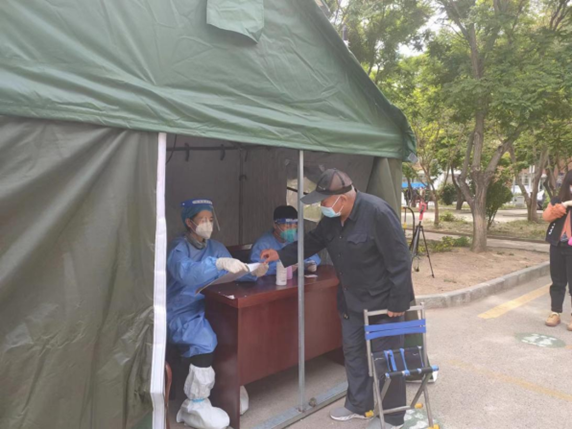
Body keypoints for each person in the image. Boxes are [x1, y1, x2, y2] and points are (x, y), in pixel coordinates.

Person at [261, 169, 414, 429]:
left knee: (386, 358)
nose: (322, 206)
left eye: (324, 201)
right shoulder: (332, 219)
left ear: (342, 199)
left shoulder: (378, 213)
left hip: (383, 304)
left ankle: (393, 417)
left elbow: (400, 260)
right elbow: (313, 241)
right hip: (351, 302)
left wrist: (398, 304)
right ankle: (358, 405)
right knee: (354, 355)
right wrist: (281, 255)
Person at [167, 198, 267, 429]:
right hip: (182, 308)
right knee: (204, 339)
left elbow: (233, 270)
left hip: (213, 304)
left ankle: (229, 385)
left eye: (210, 219)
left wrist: (253, 271)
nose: (208, 224)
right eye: (202, 219)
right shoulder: (178, 248)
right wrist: (218, 264)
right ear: (189, 222)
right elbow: (187, 273)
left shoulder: (216, 247)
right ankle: (195, 404)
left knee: (234, 329)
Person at [248, 205, 321, 277]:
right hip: (269, 283)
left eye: (295, 226)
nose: (292, 230)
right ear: (275, 225)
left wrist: (307, 264)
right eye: (287, 226)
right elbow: (255, 270)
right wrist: (281, 268)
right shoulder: (262, 245)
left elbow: (313, 256)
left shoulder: (297, 238)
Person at [542, 171, 572, 331]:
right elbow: (547, 216)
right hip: (557, 245)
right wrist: (564, 205)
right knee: (558, 281)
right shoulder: (557, 200)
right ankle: (555, 312)